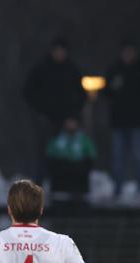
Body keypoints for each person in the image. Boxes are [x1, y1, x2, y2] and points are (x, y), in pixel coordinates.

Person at [22, 38, 86, 179]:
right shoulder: (42, 68)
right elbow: (28, 91)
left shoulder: (71, 69)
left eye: (62, 51)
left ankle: (60, 183)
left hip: (66, 120)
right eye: (57, 51)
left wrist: (74, 117)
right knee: (43, 151)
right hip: (45, 118)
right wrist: (39, 110)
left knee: (65, 152)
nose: (59, 54)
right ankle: (39, 183)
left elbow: (82, 95)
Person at [103, 41, 140, 196]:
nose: (128, 55)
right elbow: (105, 93)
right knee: (118, 158)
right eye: (125, 52)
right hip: (118, 121)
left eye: (131, 52)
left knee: (138, 156)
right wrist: (113, 88)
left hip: (138, 121)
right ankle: (118, 189)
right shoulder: (114, 71)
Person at [45, 116, 96, 196]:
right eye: (68, 122)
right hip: (61, 172)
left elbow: (91, 155)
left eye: (73, 122)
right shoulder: (57, 139)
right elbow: (50, 154)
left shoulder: (84, 139)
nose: (70, 125)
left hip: (79, 172)